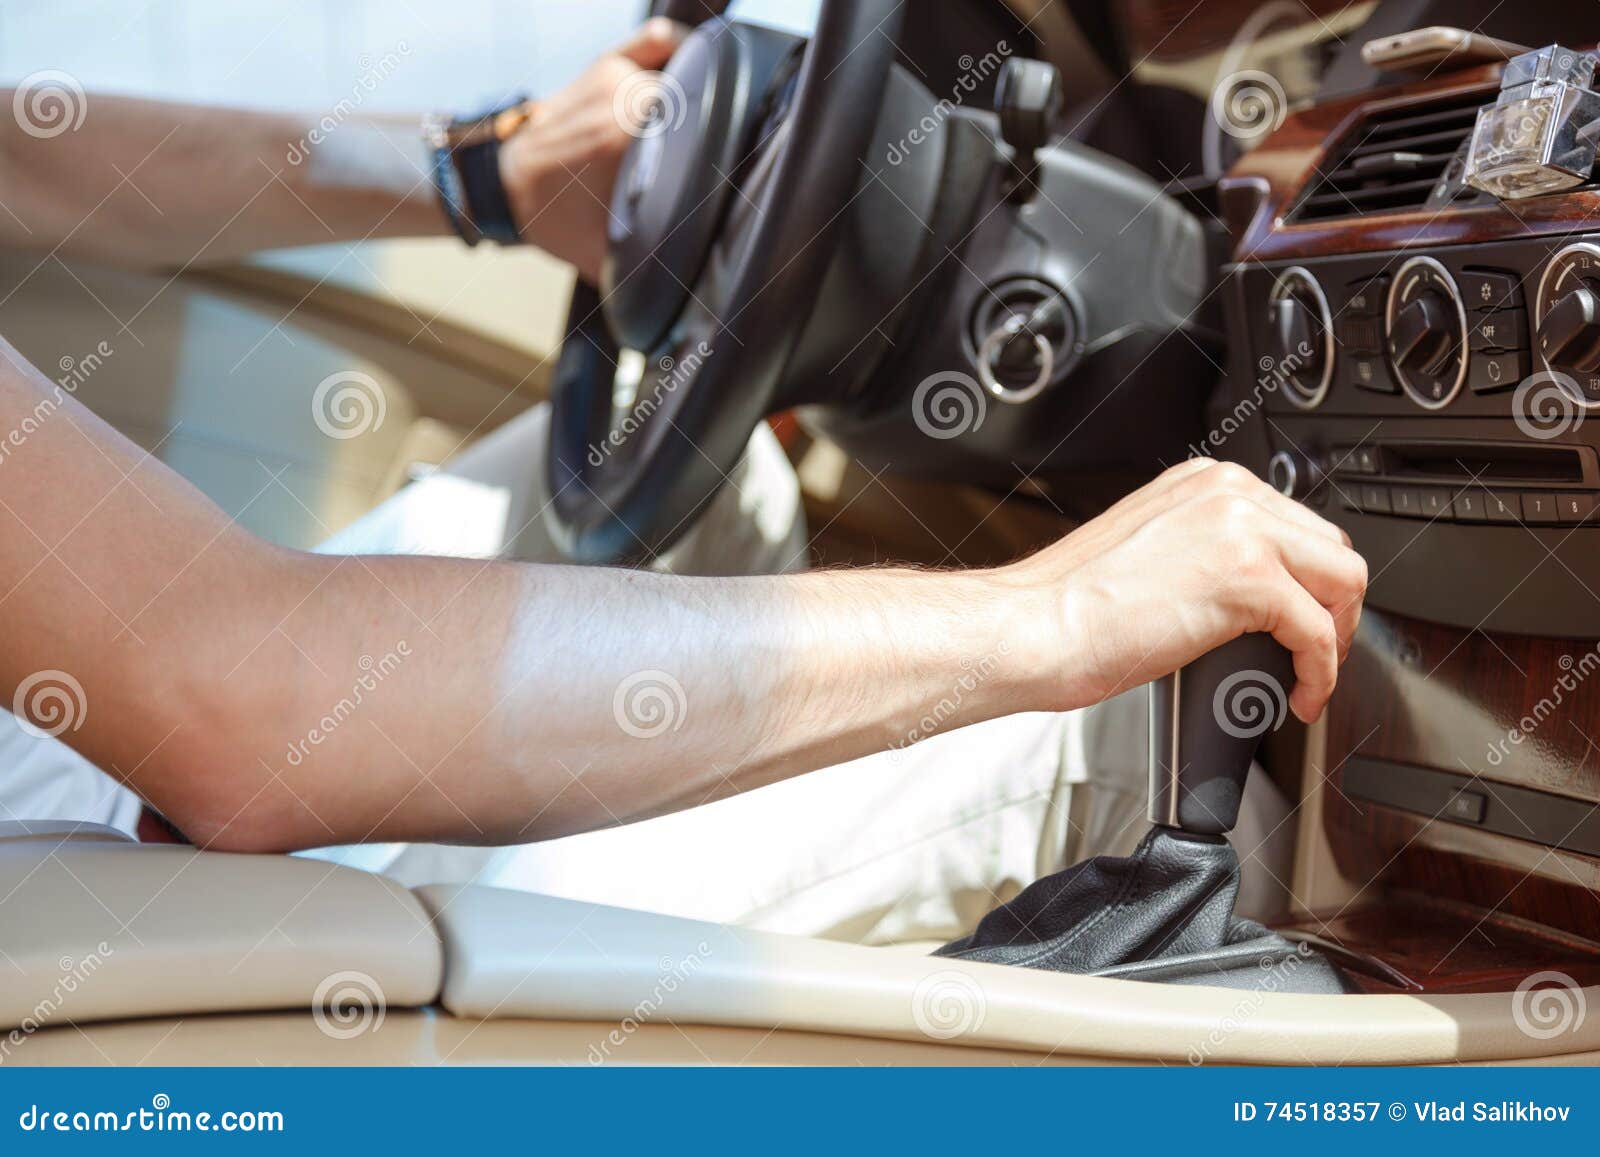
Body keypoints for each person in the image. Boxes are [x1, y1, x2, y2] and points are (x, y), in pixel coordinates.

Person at [0, 21, 1367, 944]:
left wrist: (482, 173)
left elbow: (20, 149)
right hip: (127, 916)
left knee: (709, 496)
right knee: (1145, 723)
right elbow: (242, 707)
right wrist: (1054, 616)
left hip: (68, 777)